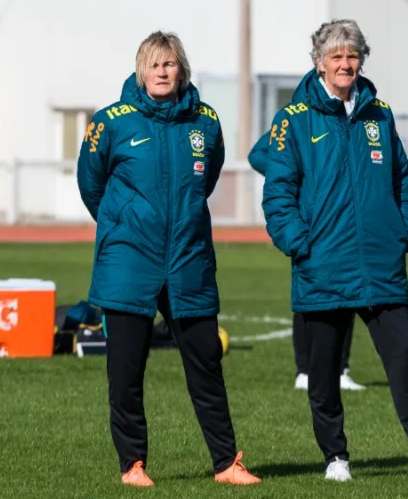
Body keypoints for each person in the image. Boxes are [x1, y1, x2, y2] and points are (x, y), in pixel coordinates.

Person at [261, 19, 408, 483]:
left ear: (360, 60)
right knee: (323, 372)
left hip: (380, 263)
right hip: (322, 264)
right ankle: (336, 459)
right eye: (336, 56)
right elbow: (278, 193)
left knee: (404, 356)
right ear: (319, 63)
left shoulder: (379, 115)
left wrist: (403, 230)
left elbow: (401, 178)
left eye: (352, 56)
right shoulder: (293, 119)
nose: (345, 64)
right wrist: (299, 244)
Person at [77, 31, 260, 487]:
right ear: (141, 70)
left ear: (182, 69)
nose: (162, 71)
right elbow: (91, 183)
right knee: (126, 372)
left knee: (206, 366)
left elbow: (208, 176)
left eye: (170, 63)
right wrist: (122, 224)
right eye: (154, 64)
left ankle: (225, 464)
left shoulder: (206, 121)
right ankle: (132, 464)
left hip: (188, 259)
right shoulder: (112, 121)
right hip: (129, 262)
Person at [249, 130, 365, 392]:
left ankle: (340, 370)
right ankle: (304, 371)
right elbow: (257, 154)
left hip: (347, 222)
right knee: (308, 294)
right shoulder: (297, 119)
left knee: (349, 295)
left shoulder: (353, 118)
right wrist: (297, 175)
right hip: (312, 223)